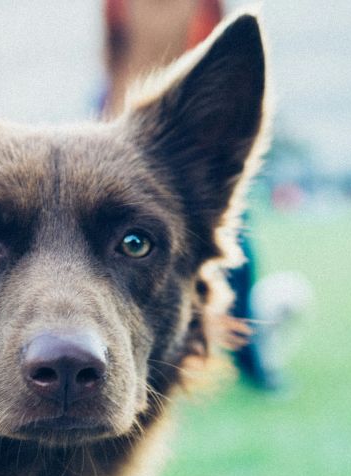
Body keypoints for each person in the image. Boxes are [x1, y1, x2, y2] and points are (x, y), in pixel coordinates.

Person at [101, 0, 280, 389]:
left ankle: (250, 359)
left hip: (187, 129)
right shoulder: (118, 4)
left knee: (236, 266)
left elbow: (221, 59)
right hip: (129, 135)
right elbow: (113, 56)